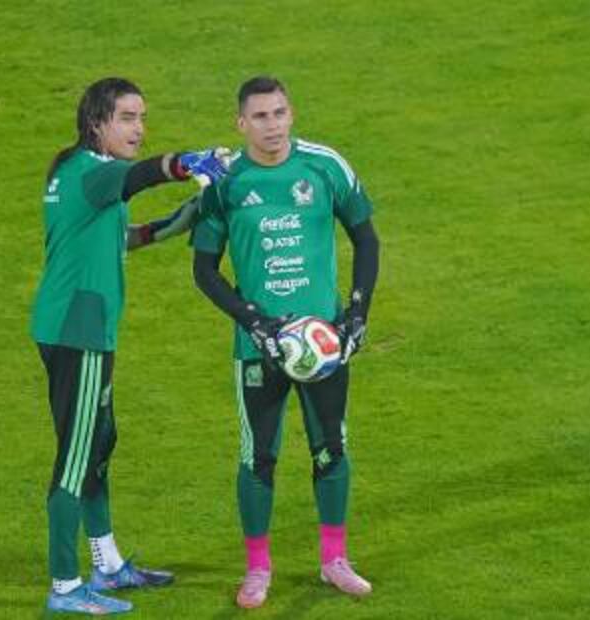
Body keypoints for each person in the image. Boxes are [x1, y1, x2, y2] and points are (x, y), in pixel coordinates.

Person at [31, 76, 228, 615]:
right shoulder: (96, 173)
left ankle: (108, 562)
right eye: (127, 118)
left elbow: (118, 238)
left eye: (142, 118)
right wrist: (188, 162)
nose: (138, 129)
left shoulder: (80, 176)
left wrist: (177, 222)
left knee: (99, 444)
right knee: (76, 458)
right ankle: (66, 587)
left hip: (77, 326)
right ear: (97, 122)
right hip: (80, 333)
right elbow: (141, 176)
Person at [191, 76, 380, 609]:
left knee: (331, 448)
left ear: (291, 113)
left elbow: (365, 237)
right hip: (260, 348)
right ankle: (257, 570)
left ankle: (334, 561)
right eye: (259, 117)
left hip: (323, 342)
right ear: (240, 124)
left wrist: (357, 313)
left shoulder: (325, 166)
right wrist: (253, 320)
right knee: (259, 457)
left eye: (278, 114)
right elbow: (205, 270)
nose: (271, 126)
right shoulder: (227, 183)